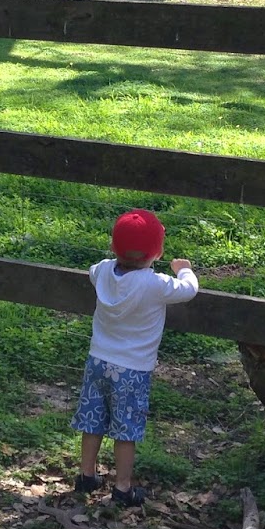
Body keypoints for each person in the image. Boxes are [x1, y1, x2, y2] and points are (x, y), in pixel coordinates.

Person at [71, 208, 199, 507]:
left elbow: (93, 270)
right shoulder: (155, 285)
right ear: (158, 252)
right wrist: (184, 269)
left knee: (92, 420)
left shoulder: (102, 271)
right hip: (132, 371)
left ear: (113, 246)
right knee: (125, 429)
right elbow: (189, 290)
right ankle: (123, 488)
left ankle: (86, 476)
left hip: (98, 361)